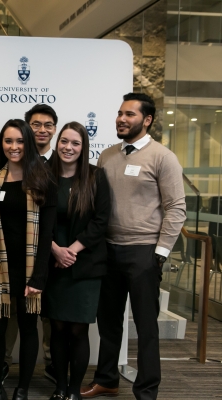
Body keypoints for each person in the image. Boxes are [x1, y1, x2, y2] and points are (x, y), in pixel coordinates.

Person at [81, 93, 186, 399]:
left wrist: (161, 252)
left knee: (146, 327)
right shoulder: (108, 156)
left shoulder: (163, 157)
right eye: (119, 113)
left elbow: (176, 209)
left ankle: (147, 390)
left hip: (144, 252)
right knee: (109, 323)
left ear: (147, 119)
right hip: (108, 250)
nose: (121, 119)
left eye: (129, 114)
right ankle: (107, 380)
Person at [0, 119, 56, 400]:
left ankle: (22, 388)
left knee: (28, 329)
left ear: (28, 143)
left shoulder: (43, 178)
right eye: (8, 141)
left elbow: (47, 231)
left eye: (19, 141)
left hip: (29, 269)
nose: (14, 147)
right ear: (2, 144)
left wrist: (39, 277)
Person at [43, 122, 110, 400]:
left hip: (85, 266)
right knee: (57, 328)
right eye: (64, 142)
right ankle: (59, 386)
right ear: (57, 143)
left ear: (84, 148)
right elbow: (34, 219)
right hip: (51, 262)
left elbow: (101, 220)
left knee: (78, 329)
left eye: (76, 143)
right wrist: (55, 250)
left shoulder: (96, 177)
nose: (68, 148)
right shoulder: (43, 175)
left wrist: (71, 250)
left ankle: (73, 389)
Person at [24, 103, 58, 383]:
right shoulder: (17, 162)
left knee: (50, 314)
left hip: (57, 255)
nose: (42, 130)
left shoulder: (65, 162)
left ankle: (52, 363)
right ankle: (3, 364)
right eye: (36, 124)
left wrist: (56, 247)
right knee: (15, 312)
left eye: (48, 125)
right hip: (21, 252)